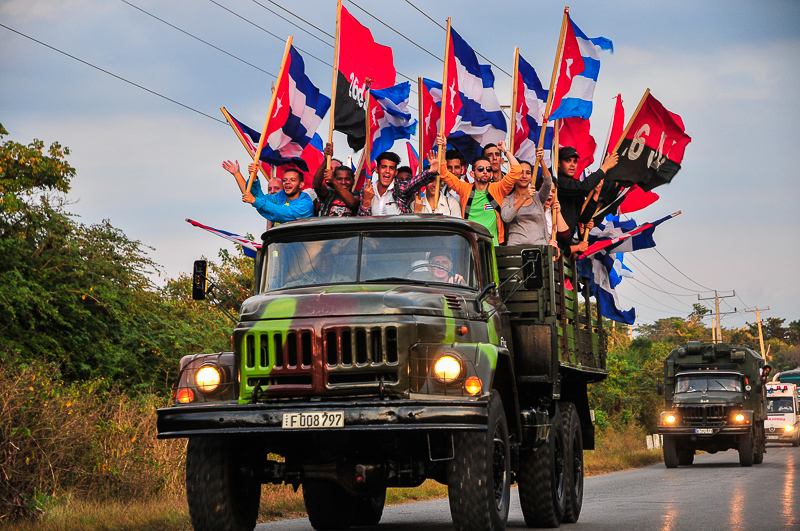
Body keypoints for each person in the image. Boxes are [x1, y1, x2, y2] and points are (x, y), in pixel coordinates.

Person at [437, 135, 520, 245]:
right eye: (481, 169)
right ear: (472, 174)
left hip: (493, 247)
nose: (485, 171)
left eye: (488, 169)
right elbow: (443, 173)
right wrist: (443, 149)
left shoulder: (498, 188)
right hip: (471, 245)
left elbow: (517, 171)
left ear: (491, 173)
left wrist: (505, 150)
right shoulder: (464, 189)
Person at [501, 149, 566, 257]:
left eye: (528, 173)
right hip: (515, 251)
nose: (524, 176)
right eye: (521, 172)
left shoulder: (538, 197)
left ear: (531, 177)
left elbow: (548, 183)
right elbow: (506, 217)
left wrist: (541, 161)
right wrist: (524, 198)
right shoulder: (507, 199)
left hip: (539, 251)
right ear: (515, 175)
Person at [555, 146, 618, 239]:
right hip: (552, 241)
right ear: (559, 163)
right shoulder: (556, 181)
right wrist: (604, 168)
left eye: (575, 161)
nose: (572, 164)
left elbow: (583, 218)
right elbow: (585, 187)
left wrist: (596, 194)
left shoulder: (575, 187)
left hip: (564, 247)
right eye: (568, 161)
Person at [358, 151, 439, 216]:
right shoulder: (367, 190)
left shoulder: (400, 188)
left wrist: (431, 172)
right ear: (376, 169)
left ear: (396, 172)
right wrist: (366, 202)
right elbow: (361, 225)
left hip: (398, 236)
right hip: (373, 236)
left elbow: (416, 182)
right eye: (384, 167)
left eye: (391, 168)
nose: (387, 171)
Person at [237, 162, 313, 224]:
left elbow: (284, 213)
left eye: (292, 180)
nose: (287, 182)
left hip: (298, 242)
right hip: (278, 241)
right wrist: (253, 177)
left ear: (301, 185)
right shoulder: (280, 196)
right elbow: (259, 198)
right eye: (285, 180)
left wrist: (255, 201)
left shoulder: (306, 204)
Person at [313, 143, 359, 217]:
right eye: (339, 179)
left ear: (353, 181)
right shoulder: (328, 194)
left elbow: (352, 203)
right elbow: (316, 184)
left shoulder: (357, 195)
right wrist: (326, 160)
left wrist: (334, 180)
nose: (343, 182)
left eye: (347, 179)